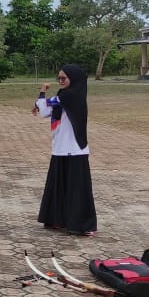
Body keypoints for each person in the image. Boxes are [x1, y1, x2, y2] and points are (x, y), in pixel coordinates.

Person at [31, 64, 97, 236]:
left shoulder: (72, 95)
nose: (60, 81)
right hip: (60, 148)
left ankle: (82, 225)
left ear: (73, 79)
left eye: (63, 78)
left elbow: (45, 105)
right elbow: (45, 111)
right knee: (58, 187)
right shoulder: (63, 96)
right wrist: (41, 95)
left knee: (77, 189)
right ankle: (56, 219)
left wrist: (40, 98)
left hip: (74, 150)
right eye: (58, 78)